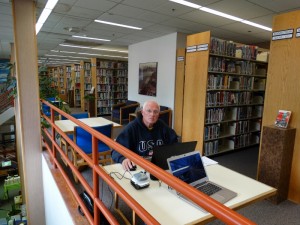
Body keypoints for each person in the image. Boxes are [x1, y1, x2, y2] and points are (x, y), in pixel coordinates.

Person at [111, 100, 178, 170]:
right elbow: (116, 149)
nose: (152, 114)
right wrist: (123, 159)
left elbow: (175, 143)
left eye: (155, 112)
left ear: (158, 114)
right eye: (149, 111)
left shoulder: (162, 126)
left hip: (158, 166)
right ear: (142, 112)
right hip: (138, 166)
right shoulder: (132, 127)